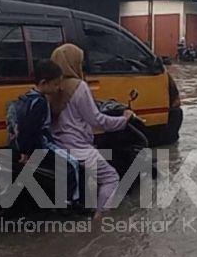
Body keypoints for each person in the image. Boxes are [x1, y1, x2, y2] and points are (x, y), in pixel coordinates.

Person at [47, 44, 133, 215]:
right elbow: (96, 120)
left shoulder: (51, 86)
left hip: (55, 146)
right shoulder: (79, 87)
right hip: (78, 148)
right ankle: (99, 222)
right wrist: (123, 120)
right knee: (111, 178)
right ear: (73, 63)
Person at [7, 59, 81, 205]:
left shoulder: (26, 97)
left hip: (19, 145)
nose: (58, 88)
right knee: (72, 164)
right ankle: (71, 201)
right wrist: (27, 152)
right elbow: (29, 129)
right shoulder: (39, 103)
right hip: (39, 145)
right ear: (43, 83)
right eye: (55, 84)